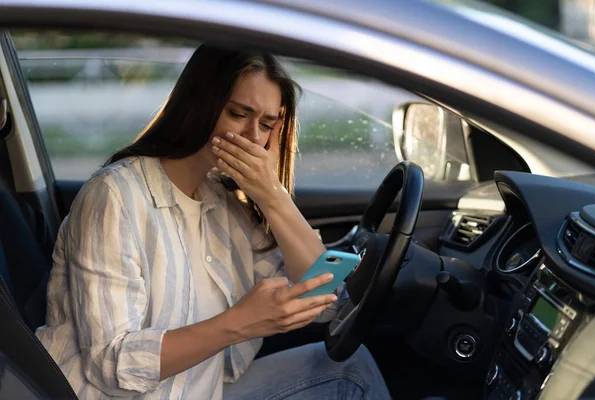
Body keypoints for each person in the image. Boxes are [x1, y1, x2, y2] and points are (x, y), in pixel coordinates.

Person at [36, 44, 391, 400]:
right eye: (239, 114)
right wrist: (238, 324)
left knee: (351, 370)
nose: (253, 137)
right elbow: (112, 366)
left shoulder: (223, 200)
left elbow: (324, 302)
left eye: (266, 124)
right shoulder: (115, 196)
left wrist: (274, 196)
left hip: (202, 389)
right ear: (198, 105)